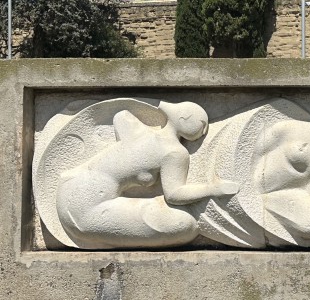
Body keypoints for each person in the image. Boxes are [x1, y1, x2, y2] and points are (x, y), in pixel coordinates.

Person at [56, 101, 238, 249]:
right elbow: (174, 195)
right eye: (201, 124)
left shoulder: (137, 129)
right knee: (185, 225)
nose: (203, 130)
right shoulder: (174, 153)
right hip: (83, 213)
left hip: (69, 189)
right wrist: (213, 189)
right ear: (185, 121)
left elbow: (121, 115)